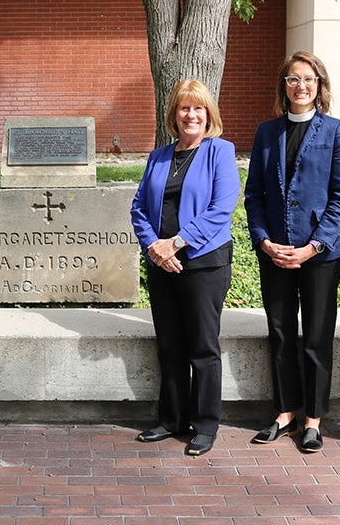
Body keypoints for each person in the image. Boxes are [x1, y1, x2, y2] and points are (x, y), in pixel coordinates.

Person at [244, 51, 340, 453]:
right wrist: (262, 240)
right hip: (274, 253)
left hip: (319, 256)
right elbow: (253, 194)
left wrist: (313, 247)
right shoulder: (266, 132)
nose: (301, 86)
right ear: (284, 86)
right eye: (293, 79)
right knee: (280, 333)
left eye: (308, 79)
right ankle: (285, 411)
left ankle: (313, 419)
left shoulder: (337, 133)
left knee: (316, 338)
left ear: (320, 86)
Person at [130, 79, 240, 456]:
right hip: (162, 264)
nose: (191, 115)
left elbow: (220, 210)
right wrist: (154, 247)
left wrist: (174, 243)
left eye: (198, 108)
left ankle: (206, 424)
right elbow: (139, 208)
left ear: (208, 114)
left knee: (202, 347)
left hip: (203, 263)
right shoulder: (159, 156)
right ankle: (171, 419)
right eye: (183, 108)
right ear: (173, 115)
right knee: (170, 345)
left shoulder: (220, 152)